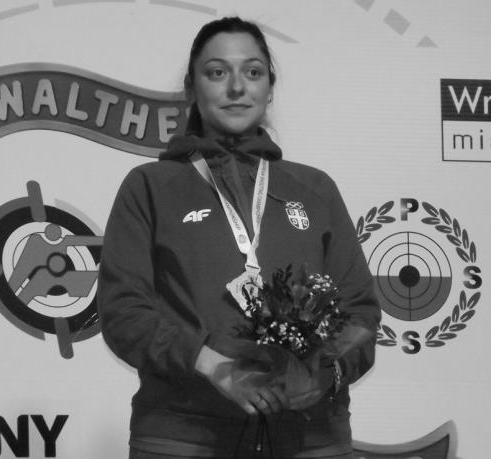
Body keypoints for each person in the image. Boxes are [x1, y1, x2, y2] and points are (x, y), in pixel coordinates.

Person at [97, 16, 381, 458]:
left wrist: (325, 375)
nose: (236, 87)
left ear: (270, 88)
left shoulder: (314, 189)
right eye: (217, 72)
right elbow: (123, 312)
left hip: (311, 437)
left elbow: (360, 312)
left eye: (252, 72)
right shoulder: (150, 186)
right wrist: (213, 366)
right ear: (191, 88)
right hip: (183, 435)